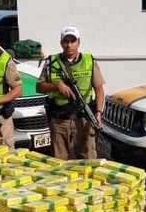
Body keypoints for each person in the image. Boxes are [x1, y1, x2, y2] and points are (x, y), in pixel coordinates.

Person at [37, 26, 106, 160]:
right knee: (60, 161)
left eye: (72, 41)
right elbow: (39, 87)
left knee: (88, 159)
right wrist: (56, 85)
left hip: (84, 119)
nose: (69, 45)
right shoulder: (52, 61)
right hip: (60, 121)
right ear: (61, 43)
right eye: (66, 41)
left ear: (78, 42)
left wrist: (98, 112)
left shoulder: (89, 61)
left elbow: (99, 89)